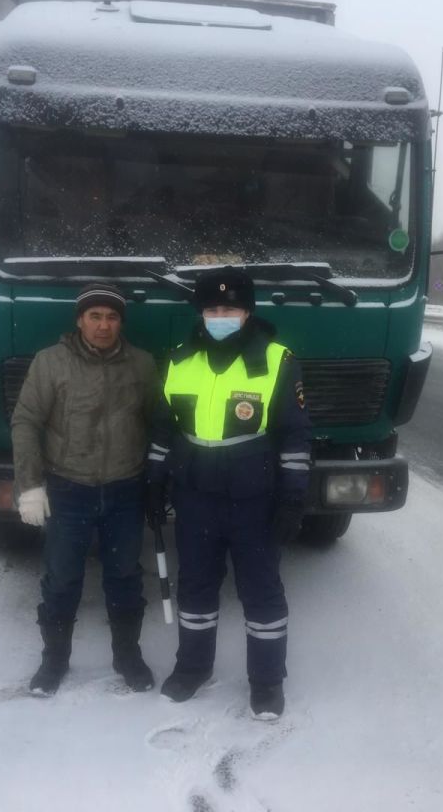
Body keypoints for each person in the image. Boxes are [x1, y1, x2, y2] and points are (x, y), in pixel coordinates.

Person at [146, 269, 312, 719]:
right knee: (196, 587)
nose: (221, 316)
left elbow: (295, 440)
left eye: (231, 309)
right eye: (213, 309)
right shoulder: (179, 360)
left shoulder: (277, 360)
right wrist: (155, 477)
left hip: (254, 499)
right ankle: (192, 669)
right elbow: (164, 429)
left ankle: (267, 683)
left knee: (261, 593)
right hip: (195, 495)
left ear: (248, 312)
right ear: (201, 314)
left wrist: (293, 500)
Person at [11, 282, 159, 696]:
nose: (103, 325)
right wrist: (30, 486)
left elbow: (157, 426)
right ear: (79, 320)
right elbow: (26, 422)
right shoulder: (50, 363)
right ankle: (54, 661)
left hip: (125, 489)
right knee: (61, 579)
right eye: (95, 316)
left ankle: (127, 655)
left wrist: (158, 480)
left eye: (112, 317)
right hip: (67, 489)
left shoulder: (142, 366)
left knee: (126, 577)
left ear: (120, 323)